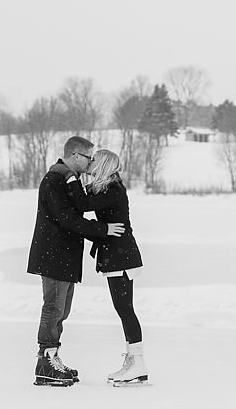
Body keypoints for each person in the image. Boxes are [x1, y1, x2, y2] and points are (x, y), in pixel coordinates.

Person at [26, 136, 125, 387]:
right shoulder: (55, 180)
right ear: (75, 156)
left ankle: (52, 358)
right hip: (54, 254)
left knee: (62, 310)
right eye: (89, 158)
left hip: (65, 255)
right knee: (53, 308)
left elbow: (79, 208)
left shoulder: (70, 180)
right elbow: (67, 218)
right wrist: (103, 229)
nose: (91, 163)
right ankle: (45, 363)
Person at [85, 149, 148, 386]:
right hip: (118, 256)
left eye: (93, 161)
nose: (90, 163)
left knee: (125, 309)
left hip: (121, 257)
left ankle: (138, 362)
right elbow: (89, 200)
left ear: (102, 165)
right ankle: (134, 362)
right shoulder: (108, 188)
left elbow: (84, 203)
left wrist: (70, 183)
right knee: (124, 309)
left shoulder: (113, 190)